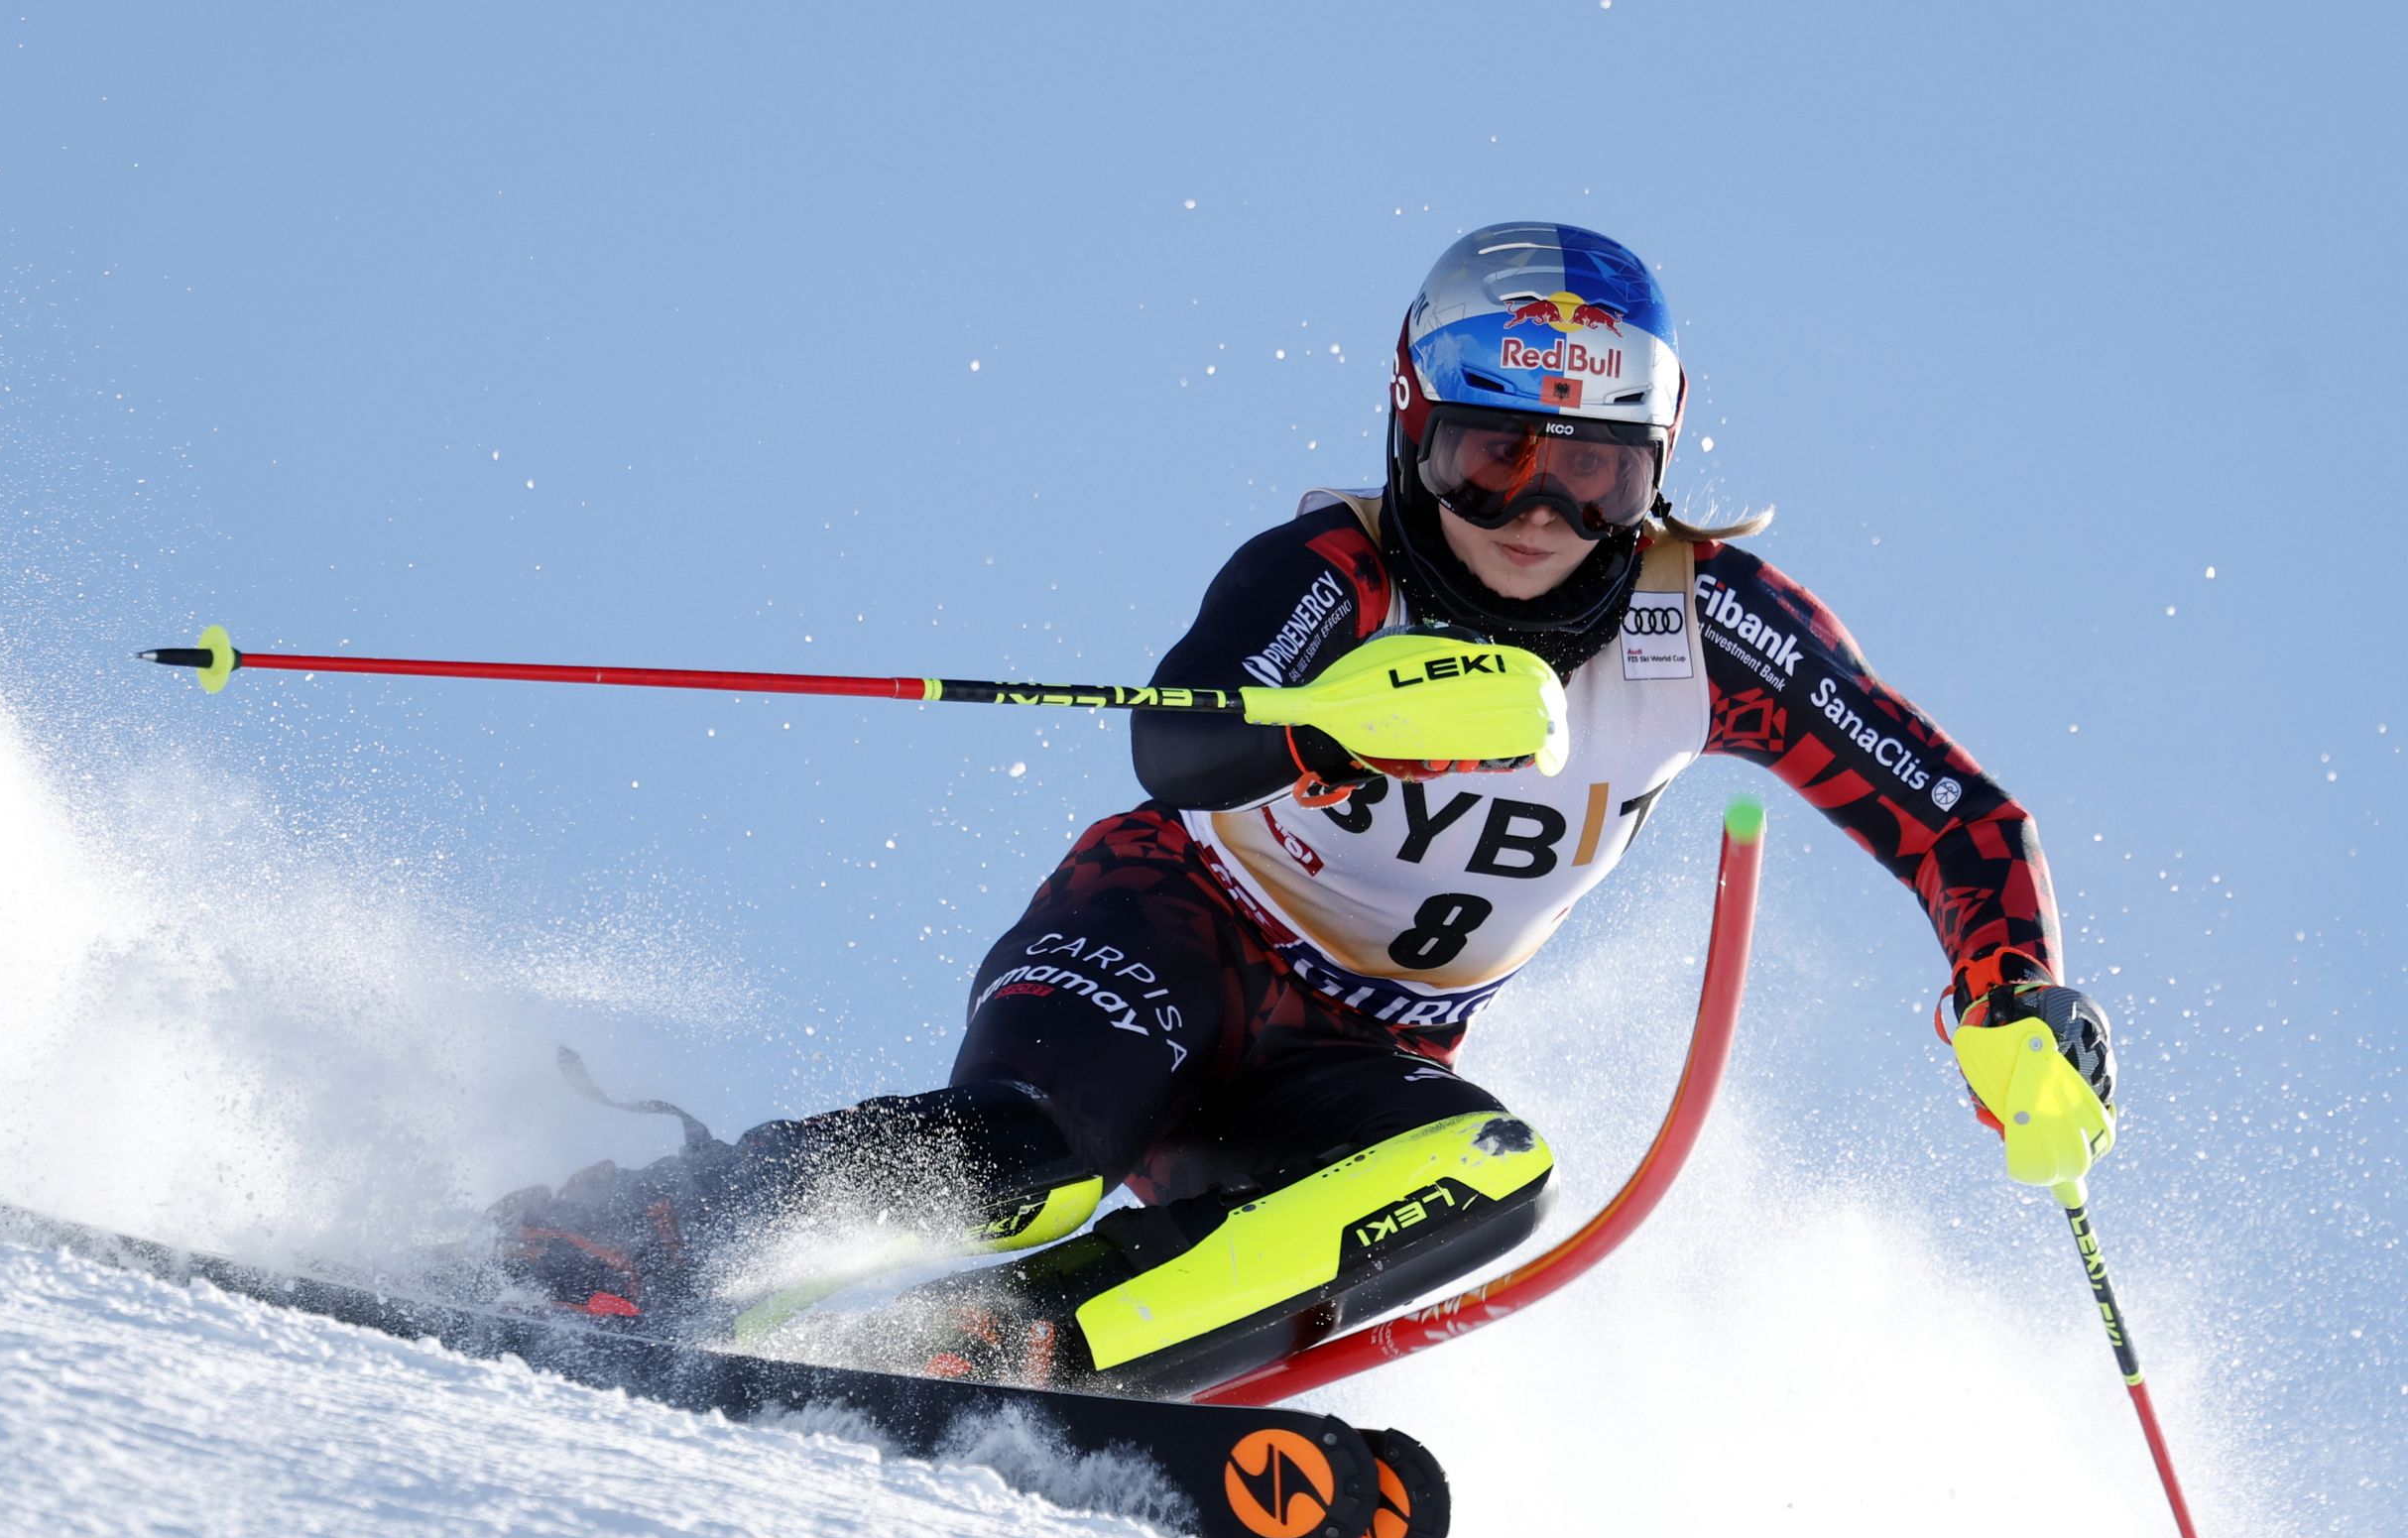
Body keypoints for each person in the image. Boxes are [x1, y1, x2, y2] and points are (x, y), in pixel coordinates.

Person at [494, 221, 2115, 1395]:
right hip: (1167, 929)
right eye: (1491, 458)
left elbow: (1955, 816)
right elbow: (1172, 746)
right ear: (1415, 431)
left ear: (1658, 466)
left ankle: (1022, 1348)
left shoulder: (1709, 628)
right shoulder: (1334, 572)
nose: (1538, 512)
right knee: (1034, 1152)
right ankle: (630, 1236)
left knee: (1489, 1167)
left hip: (1359, 1051)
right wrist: (1328, 727)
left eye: (1596, 473)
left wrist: (2013, 991)